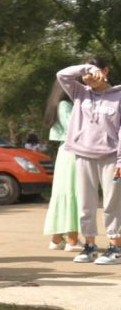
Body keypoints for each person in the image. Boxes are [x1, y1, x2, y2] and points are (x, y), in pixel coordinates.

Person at [58, 58, 121, 264]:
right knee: (86, 203)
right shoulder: (80, 92)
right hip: (83, 155)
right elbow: (61, 75)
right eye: (86, 74)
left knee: (112, 203)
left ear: (106, 71)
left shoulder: (118, 96)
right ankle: (90, 246)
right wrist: (87, 68)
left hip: (111, 157)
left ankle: (115, 247)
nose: (89, 78)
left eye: (94, 73)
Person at [42, 81, 81, 251]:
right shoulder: (65, 105)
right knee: (73, 192)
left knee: (63, 192)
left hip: (65, 151)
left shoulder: (58, 104)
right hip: (74, 152)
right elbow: (76, 131)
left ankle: (57, 239)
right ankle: (72, 239)